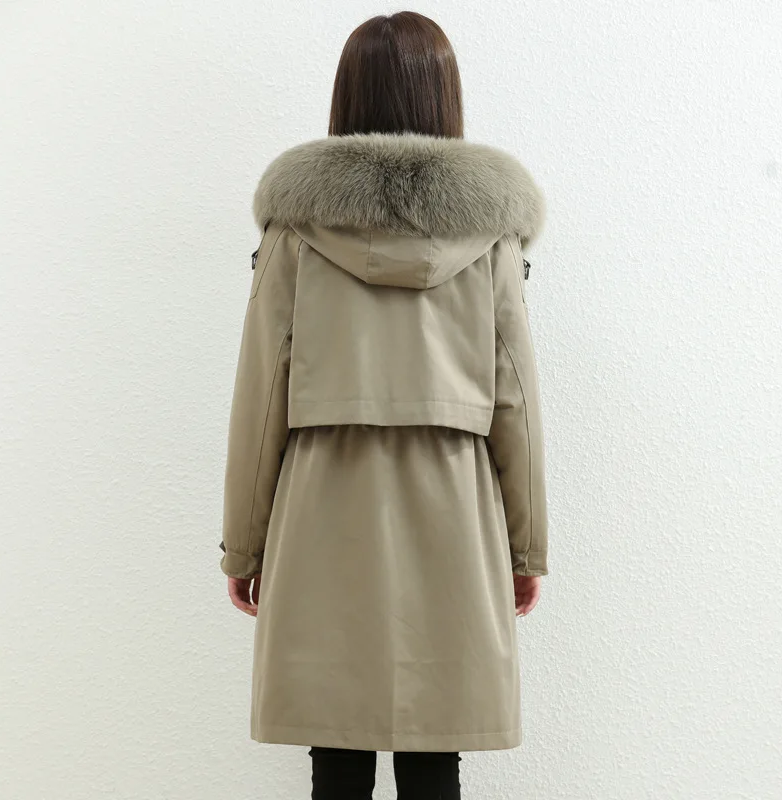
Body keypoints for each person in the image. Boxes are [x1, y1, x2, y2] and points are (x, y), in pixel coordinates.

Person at [219, 11, 548, 800]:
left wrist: (244, 548)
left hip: (323, 501)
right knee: (436, 748)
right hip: (456, 500)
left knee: (337, 747)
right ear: (445, 98)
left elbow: (261, 396)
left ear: (347, 97)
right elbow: (516, 401)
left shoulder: (297, 231)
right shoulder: (493, 238)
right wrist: (526, 549)